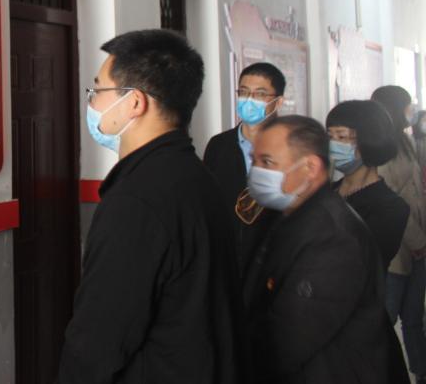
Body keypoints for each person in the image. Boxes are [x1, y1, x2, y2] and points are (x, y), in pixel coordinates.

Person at [56, 29, 241, 384]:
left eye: (98, 91)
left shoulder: (136, 201)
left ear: (135, 102)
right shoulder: (195, 175)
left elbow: (98, 341)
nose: (92, 104)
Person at [243, 115, 405, 383]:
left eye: (267, 162)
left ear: (310, 167)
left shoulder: (333, 237)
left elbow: (287, 340)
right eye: (254, 160)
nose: (256, 171)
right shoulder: (286, 215)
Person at [203, 62, 286, 271]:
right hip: (225, 261)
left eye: (260, 94)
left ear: (278, 102)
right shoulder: (219, 145)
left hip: (273, 263)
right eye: (244, 92)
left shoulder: (290, 147)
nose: (249, 100)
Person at [372, 85, 426, 382]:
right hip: (398, 249)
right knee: (387, 317)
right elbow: (394, 202)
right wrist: (418, 241)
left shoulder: (404, 140)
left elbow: (415, 191)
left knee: (414, 318)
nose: (412, 111)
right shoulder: (381, 148)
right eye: (407, 106)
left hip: (418, 244)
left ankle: (420, 371)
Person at [326, 100, 409, 268]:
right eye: (329, 137)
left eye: (341, 137)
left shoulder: (391, 207)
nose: (332, 145)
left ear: (369, 141)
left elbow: (362, 262)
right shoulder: (327, 192)